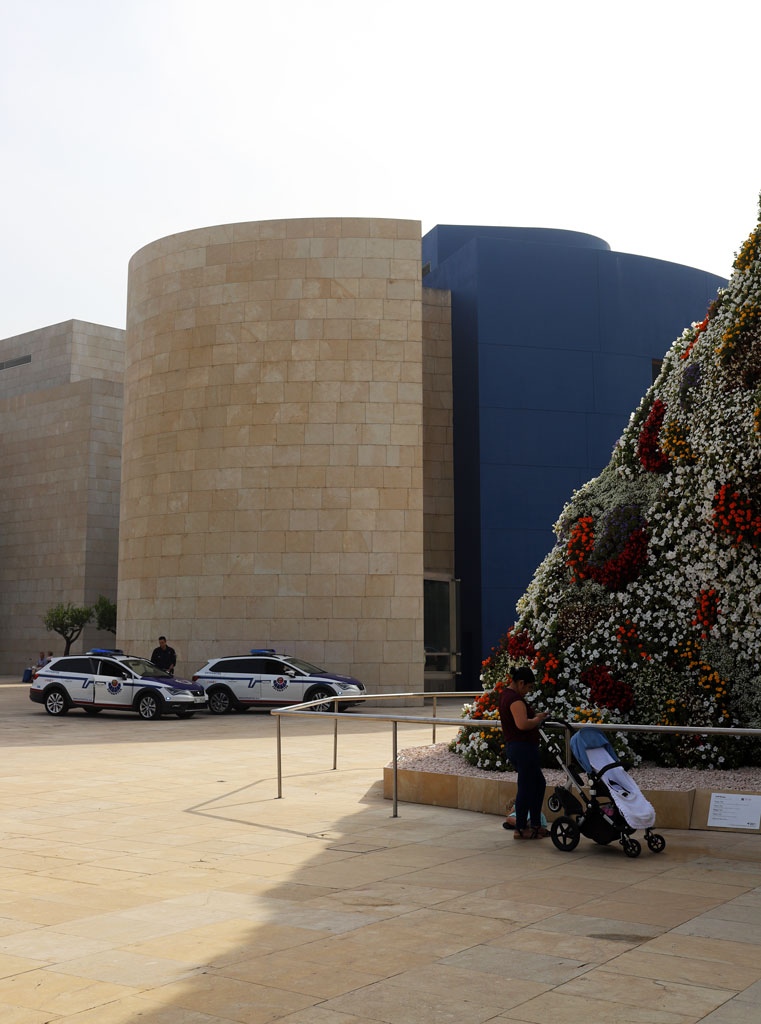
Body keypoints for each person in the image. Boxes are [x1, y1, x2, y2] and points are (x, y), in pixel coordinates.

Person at [498, 666, 549, 840]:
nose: (528, 691)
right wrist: (537, 719)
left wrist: (536, 717)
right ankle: (520, 828)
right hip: (523, 747)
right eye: (528, 687)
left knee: (538, 784)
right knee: (527, 787)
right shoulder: (515, 699)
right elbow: (522, 724)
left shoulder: (506, 695)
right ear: (521, 683)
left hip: (518, 746)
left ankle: (535, 824)